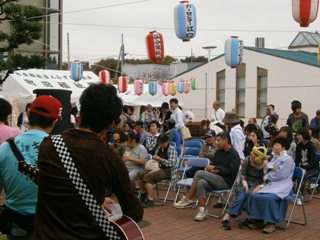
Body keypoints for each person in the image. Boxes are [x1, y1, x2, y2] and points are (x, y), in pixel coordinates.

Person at [31, 84, 143, 239]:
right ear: (111, 123)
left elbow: (61, 190)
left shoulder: (48, 145)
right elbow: (134, 212)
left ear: (81, 113)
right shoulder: (110, 159)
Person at [0, 95, 62, 239]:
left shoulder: (5, 147)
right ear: (55, 121)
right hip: (51, 223)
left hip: (17, 224)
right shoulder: (62, 149)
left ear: (28, 114)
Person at [173, 131, 240, 221]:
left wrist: (216, 168)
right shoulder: (218, 152)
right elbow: (212, 165)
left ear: (226, 140)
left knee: (199, 173)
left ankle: (189, 198)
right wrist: (212, 169)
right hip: (215, 177)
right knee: (201, 182)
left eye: (218, 140)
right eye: (216, 140)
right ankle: (202, 210)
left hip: (226, 182)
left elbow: (231, 172)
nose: (216, 142)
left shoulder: (234, 155)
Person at [246, 137, 295, 234]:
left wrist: (267, 176)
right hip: (272, 183)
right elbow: (269, 169)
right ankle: (258, 220)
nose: (274, 147)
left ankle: (271, 223)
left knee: (269, 197)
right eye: (274, 145)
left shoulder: (287, 159)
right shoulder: (275, 158)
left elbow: (281, 174)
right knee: (256, 195)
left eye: (277, 145)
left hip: (283, 184)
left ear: (283, 147)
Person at [221, 146, 268, 230]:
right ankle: (226, 217)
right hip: (244, 182)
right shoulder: (247, 160)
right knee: (241, 195)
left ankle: (251, 218)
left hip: (257, 185)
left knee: (251, 194)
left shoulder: (266, 166)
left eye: (254, 154)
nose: (251, 154)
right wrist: (245, 185)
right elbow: (242, 174)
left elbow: (267, 180)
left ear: (259, 157)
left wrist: (260, 187)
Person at [137, 134, 178, 208]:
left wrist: (161, 160)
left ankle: (150, 199)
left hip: (167, 170)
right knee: (140, 174)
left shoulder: (172, 149)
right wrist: (155, 158)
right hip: (156, 168)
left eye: (163, 143)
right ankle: (144, 192)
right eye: (160, 143)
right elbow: (155, 159)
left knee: (148, 177)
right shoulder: (158, 148)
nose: (161, 144)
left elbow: (172, 163)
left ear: (167, 141)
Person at [295, 127, 319, 205]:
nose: (297, 137)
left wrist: (305, 168)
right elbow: (297, 160)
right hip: (303, 168)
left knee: (302, 176)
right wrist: (295, 168)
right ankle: (293, 193)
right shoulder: (299, 146)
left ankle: (299, 196)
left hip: (313, 169)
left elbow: (313, 161)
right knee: (294, 174)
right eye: (297, 135)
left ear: (304, 135)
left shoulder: (311, 146)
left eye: (299, 135)